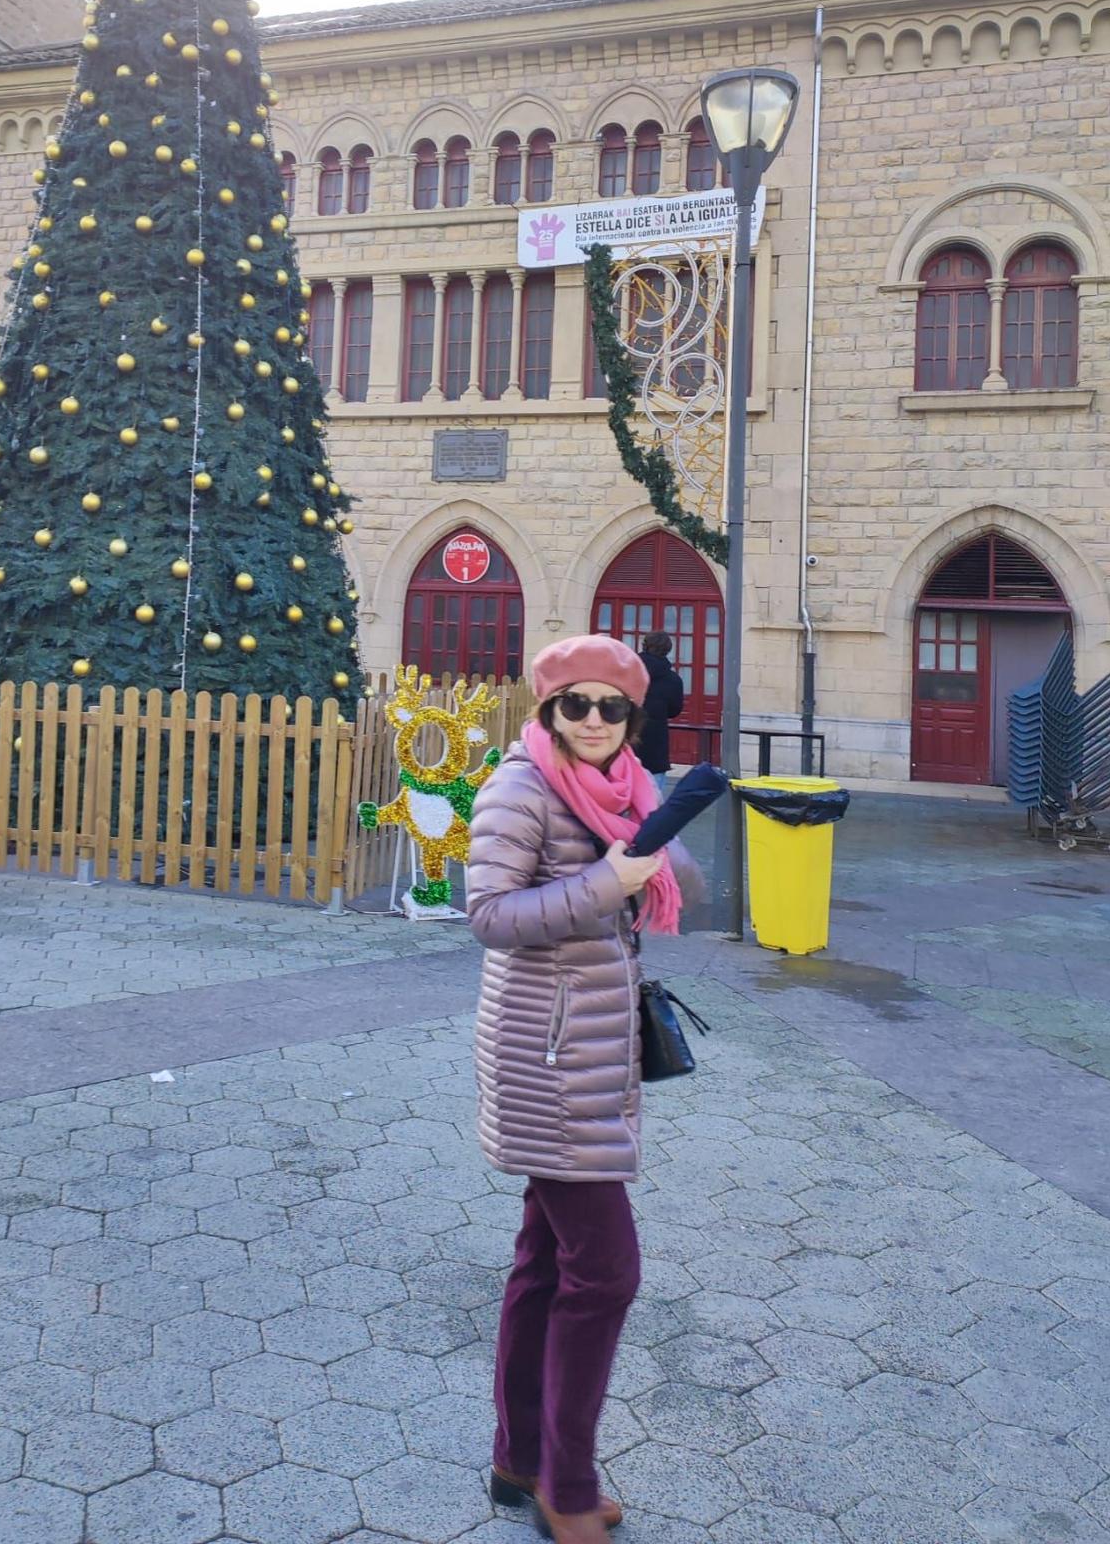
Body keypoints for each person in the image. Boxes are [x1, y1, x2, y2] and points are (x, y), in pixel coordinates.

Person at [466, 633, 702, 1543]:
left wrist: (651, 875)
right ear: (548, 712)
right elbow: (487, 915)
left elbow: (649, 898)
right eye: (578, 706)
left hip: (589, 1052)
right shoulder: (520, 788)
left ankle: (518, 1457)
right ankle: (564, 1481)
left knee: (543, 1261)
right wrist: (610, 880)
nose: (596, 722)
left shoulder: (625, 792)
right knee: (604, 1273)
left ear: (633, 720)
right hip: (547, 1062)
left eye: (614, 708)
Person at [636, 631, 684, 795]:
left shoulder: (629, 672)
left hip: (625, 741)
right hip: (655, 744)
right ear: (668, 650)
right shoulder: (673, 679)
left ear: (645, 646)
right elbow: (674, 710)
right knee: (651, 804)